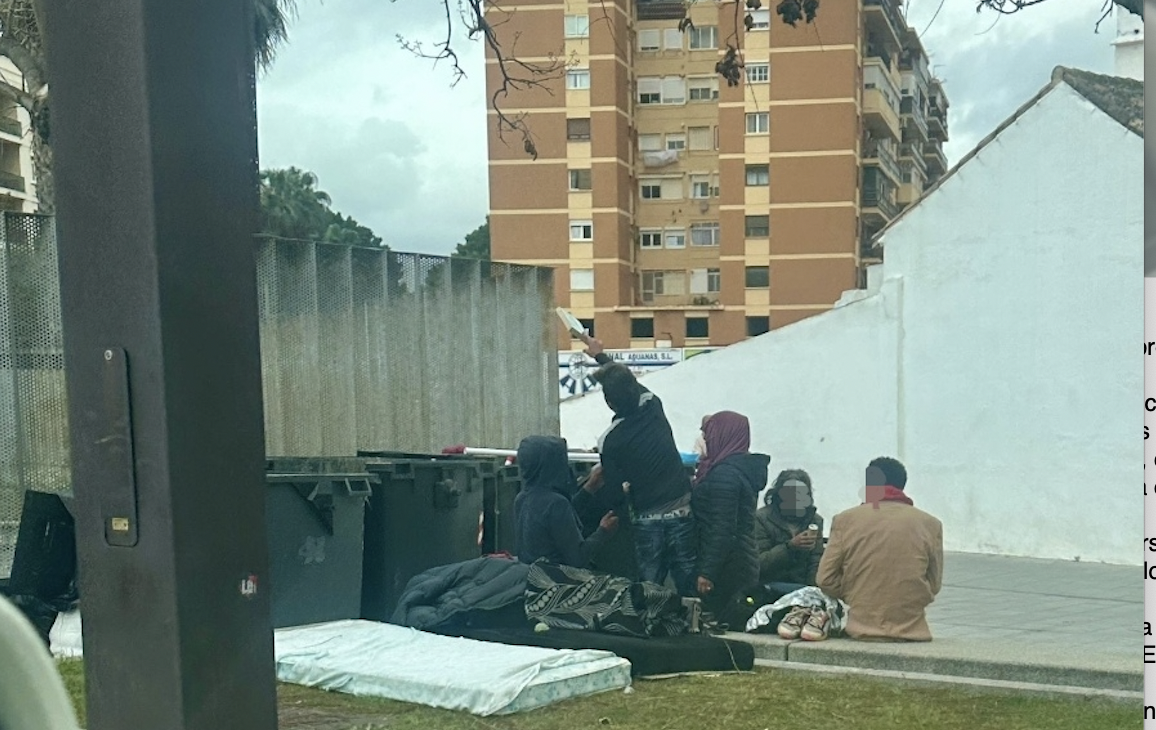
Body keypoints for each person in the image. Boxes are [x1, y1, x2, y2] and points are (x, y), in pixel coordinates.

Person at [580, 333, 697, 597]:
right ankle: (693, 620)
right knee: (688, 587)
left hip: (647, 520)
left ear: (609, 402)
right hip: (682, 511)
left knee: (649, 589)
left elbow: (612, 492)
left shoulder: (610, 440)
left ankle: (652, 620)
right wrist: (600, 355)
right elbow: (626, 381)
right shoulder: (653, 406)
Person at [815, 456, 944, 642]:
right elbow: (934, 584)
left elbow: (825, 578)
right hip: (913, 631)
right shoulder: (930, 524)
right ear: (902, 484)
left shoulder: (845, 520)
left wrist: (857, 593)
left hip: (861, 628)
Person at [690, 411, 768, 626]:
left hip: (726, 569)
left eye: (708, 434)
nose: (706, 440)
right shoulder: (739, 469)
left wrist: (707, 572)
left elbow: (722, 528)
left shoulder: (725, 475)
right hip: (740, 561)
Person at [513, 435, 619, 568]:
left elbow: (556, 521)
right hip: (557, 578)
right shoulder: (556, 503)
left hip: (531, 576)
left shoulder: (521, 499)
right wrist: (603, 531)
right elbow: (578, 559)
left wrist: (589, 488)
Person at [755, 469, 825, 597]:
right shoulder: (761, 518)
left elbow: (816, 560)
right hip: (768, 587)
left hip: (802, 589)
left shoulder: (815, 520)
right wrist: (790, 547)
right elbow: (759, 564)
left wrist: (813, 593)